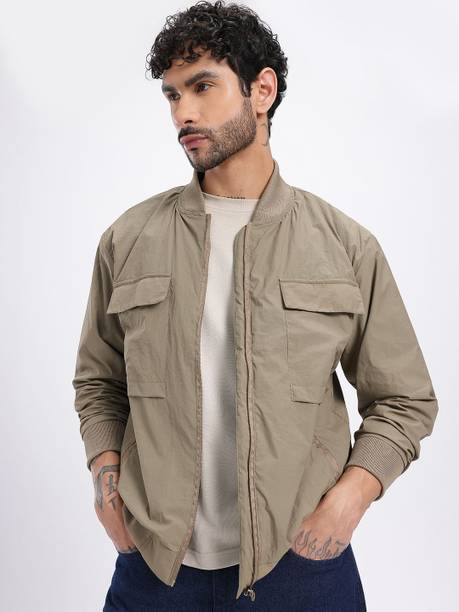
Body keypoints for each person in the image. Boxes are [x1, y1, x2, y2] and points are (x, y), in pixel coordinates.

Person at [72, 2, 439, 610]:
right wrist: (106, 483)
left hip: (300, 567)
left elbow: (405, 399)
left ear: (261, 91)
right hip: (155, 567)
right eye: (172, 95)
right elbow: (99, 381)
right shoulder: (129, 239)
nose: (182, 113)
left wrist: (349, 501)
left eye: (202, 87)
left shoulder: (344, 246)